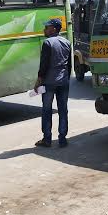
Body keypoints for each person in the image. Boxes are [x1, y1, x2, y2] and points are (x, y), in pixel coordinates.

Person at [34, 18, 72, 148]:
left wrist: (38, 81)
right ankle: (62, 139)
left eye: (47, 27)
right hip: (63, 81)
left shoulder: (47, 43)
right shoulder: (67, 42)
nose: (44, 29)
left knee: (46, 110)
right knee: (63, 110)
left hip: (49, 82)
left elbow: (43, 65)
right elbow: (69, 65)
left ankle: (47, 139)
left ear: (54, 29)